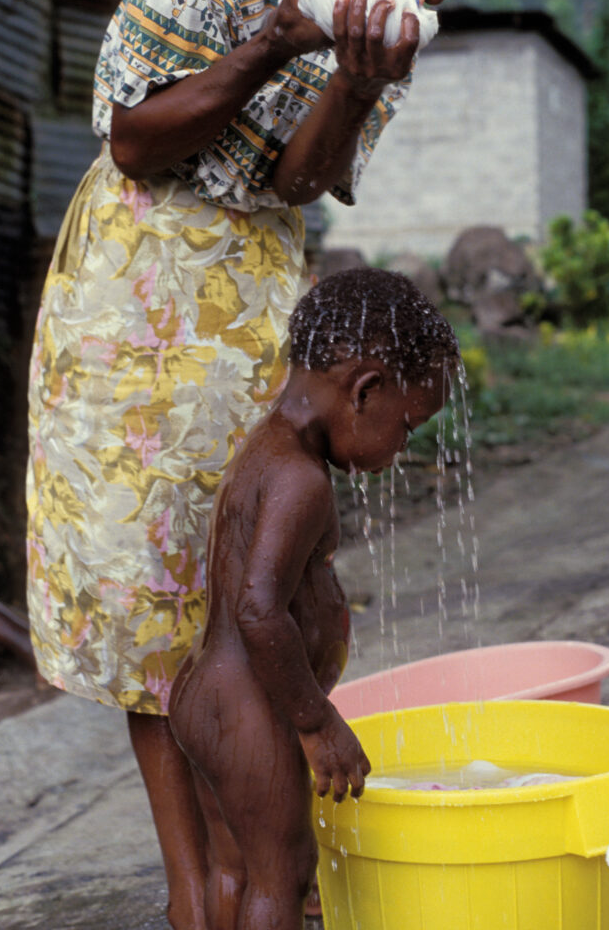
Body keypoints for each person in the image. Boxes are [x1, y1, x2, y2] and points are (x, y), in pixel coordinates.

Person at [25, 0, 530, 928]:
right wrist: (274, 41)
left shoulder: (388, 32)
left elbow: (295, 178)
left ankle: (243, 868)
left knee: (231, 564)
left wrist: (353, 83)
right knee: (143, 581)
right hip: (136, 284)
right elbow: (133, 141)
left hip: (253, 293)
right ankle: (195, 887)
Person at [168, 268, 460, 930]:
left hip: (204, 694)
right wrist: (316, 721)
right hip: (251, 708)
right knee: (284, 876)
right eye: (408, 425)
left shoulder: (267, 444)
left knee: (234, 869)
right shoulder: (302, 480)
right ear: (365, 392)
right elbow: (258, 609)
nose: (403, 445)